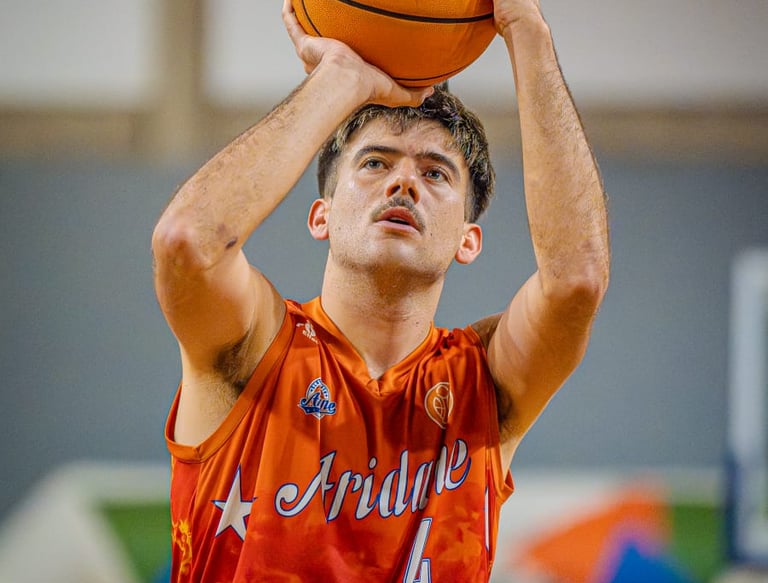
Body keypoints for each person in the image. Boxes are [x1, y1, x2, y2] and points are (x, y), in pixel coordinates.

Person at [151, 0, 610, 580]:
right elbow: (187, 243)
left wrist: (528, 31)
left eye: (435, 173)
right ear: (321, 215)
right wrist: (339, 80)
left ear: (468, 240)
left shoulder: (483, 384)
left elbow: (576, 281)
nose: (403, 182)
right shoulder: (256, 349)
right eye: (374, 163)